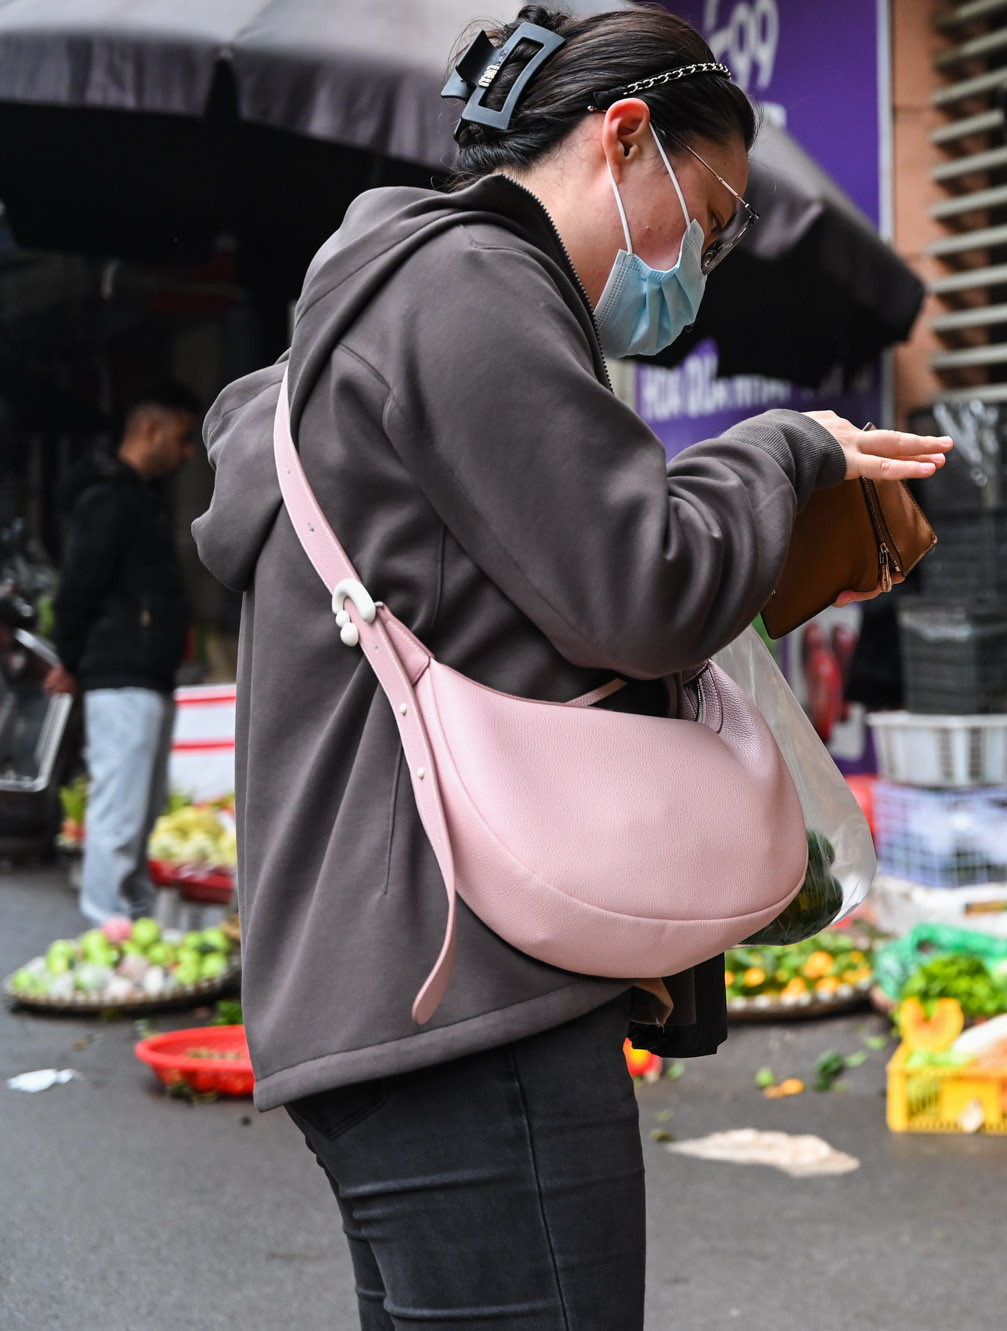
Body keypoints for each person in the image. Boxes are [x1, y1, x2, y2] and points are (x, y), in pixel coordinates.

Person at [190, 8, 947, 1328]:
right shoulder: (468, 283)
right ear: (625, 137)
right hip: (464, 1002)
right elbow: (640, 591)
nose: (701, 263)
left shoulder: (389, 309)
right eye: (709, 220)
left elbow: (539, 617)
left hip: (397, 994)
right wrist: (787, 451)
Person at [49, 381, 201, 924]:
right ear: (149, 428)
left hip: (144, 676)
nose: (188, 453)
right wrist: (71, 657)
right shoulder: (110, 497)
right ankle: (108, 931)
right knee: (119, 815)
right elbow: (79, 584)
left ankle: (127, 926)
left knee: (140, 811)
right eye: (183, 438)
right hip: (121, 677)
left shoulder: (134, 496)